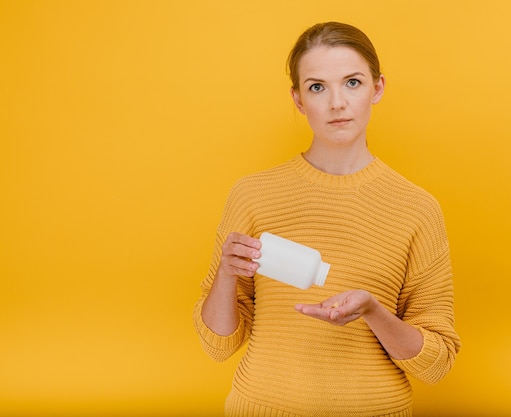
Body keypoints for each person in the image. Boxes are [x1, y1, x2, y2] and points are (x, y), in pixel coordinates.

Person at [193, 21, 461, 417]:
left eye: (352, 82)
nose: (337, 102)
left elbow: (436, 364)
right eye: (317, 87)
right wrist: (226, 276)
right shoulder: (252, 194)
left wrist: (373, 311)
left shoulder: (417, 208)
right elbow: (218, 346)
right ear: (299, 100)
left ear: (378, 88)